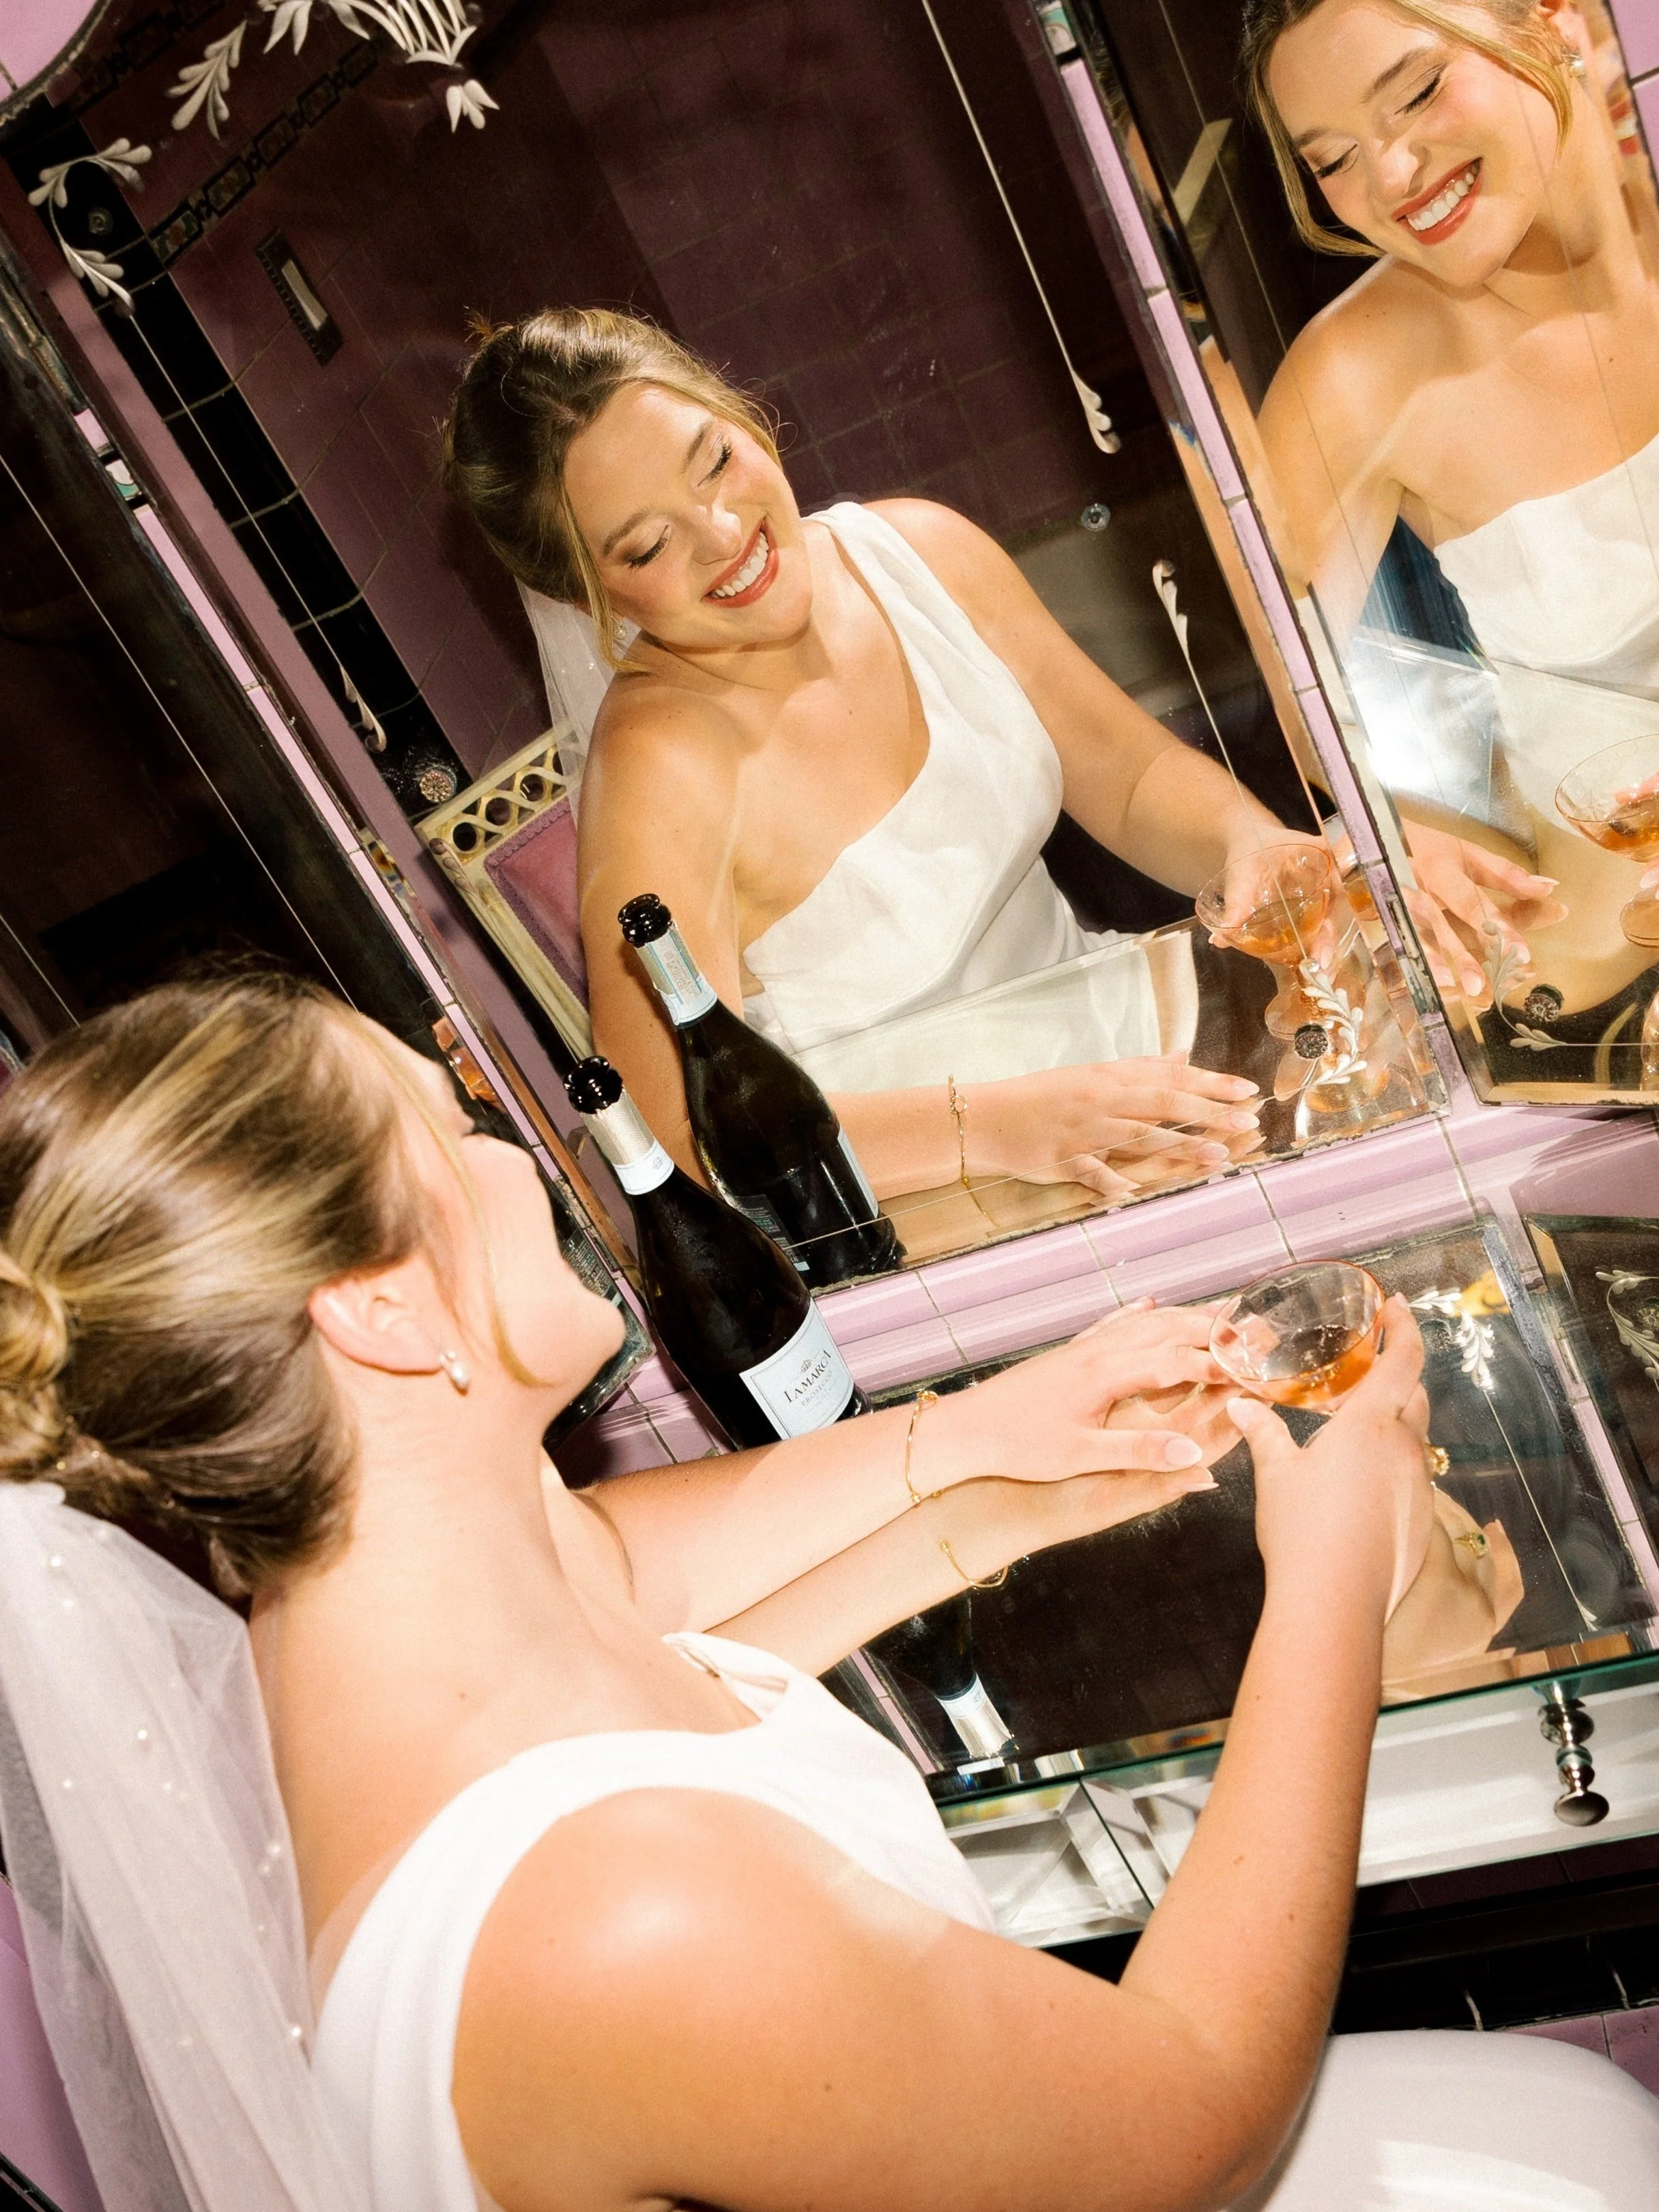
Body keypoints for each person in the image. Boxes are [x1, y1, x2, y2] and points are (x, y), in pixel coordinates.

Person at [3, 973, 1657, 2212]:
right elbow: (1190, 2127)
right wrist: (1342, 1569)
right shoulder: (627, 1922)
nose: (508, 1151)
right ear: (378, 1315)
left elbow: (643, 1597)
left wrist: (981, 1459)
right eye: (444, 1140)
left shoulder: (358, 1623)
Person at [445, 308, 1312, 1207]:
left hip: (1152, 1054)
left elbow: (1130, 782)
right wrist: (1001, 1127)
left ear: (739, 412)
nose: (720, 530)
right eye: (648, 544)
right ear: (588, 595)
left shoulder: (918, 552)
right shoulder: (657, 776)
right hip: (946, 1197)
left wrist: (1250, 845)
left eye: (714, 460)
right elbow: (679, 1133)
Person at [1245, 0, 1659, 1000]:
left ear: (1553, 19)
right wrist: (1399, 827)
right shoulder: (1353, 378)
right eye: (1331, 161)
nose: (1389, 179)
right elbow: (1304, 701)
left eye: (1418, 91)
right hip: (1614, 972)